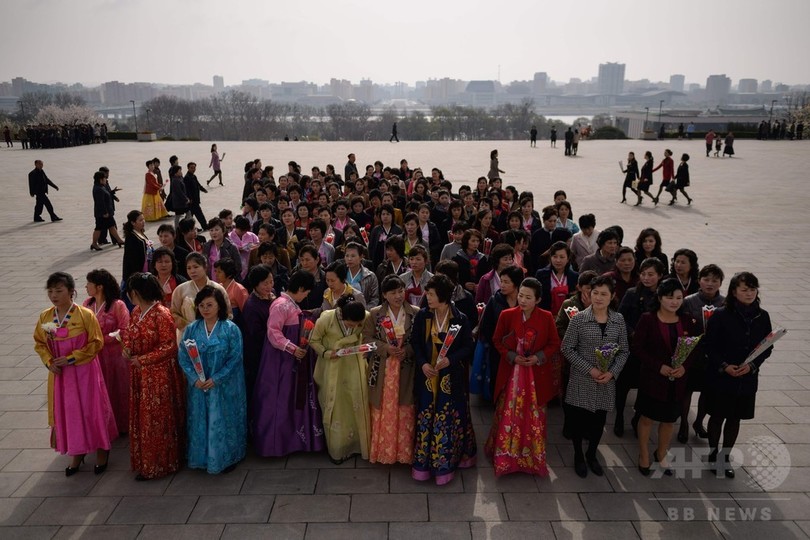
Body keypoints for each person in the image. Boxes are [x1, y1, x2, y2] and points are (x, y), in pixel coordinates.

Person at [34, 272, 117, 476]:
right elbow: (40, 343)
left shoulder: (84, 315)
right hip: (61, 375)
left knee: (91, 409)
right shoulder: (46, 317)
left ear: (71, 292)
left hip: (85, 372)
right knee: (69, 412)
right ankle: (77, 452)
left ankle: (101, 449)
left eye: (59, 290)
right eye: (51, 291)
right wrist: (49, 361)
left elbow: (96, 342)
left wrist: (72, 357)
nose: (54, 295)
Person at [485, 277, 561, 476]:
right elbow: (496, 340)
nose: (523, 300)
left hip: (535, 373)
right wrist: (512, 356)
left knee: (533, 414)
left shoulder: (546, 317)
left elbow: (554, 343)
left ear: (538, 300)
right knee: (508, 412)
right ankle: (505, 456)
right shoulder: (507, 314)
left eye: (528, 297)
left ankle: (530, 458)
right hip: (512, 373)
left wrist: (538, 357)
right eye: (521, 295)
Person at [704, 272, 772, 478]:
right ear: (734, 292)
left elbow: (767, 347)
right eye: (744, 289)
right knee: (717, 416)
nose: (749, 293)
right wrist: (724, 366)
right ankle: (714, 453)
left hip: (746, 377)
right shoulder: (721, 314)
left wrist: (752, 366)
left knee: (735, 418)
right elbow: (709, 346)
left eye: (752, 289)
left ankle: (726, 456)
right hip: (722, 376)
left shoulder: (763, 316)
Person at [561, 275, 630, 478]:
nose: (598, 298)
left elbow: (624, 351)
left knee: (598, 422)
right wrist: (589, 369)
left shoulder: (618, 320)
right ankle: (578, 456)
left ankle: (592, 454)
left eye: (604, 294)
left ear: (612, 296)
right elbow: (567, 348)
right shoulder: (580, 319)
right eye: (595, 293)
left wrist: (612, 372)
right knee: (578, 421)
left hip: (605, 382)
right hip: (582, 380)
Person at [252, 270, 325, 457]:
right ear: (300, 288)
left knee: (289, 399)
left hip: (289, 360)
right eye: (306, 291)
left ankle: (290, 441)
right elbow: (273, 333)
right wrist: (292, 349)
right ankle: (276, 444)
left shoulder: (288, 304)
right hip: (280, 362)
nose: (307, 295)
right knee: (280, 400)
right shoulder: (281, 305)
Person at [411, 274, 476, 484]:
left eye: (431, 294)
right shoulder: (423, 316)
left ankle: (446, 465)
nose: (427, 297)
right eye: (427, 293)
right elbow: (416, 343)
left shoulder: (460, 318)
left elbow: (468, 346)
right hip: (428, 376)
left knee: (447, 418)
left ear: (443, 296)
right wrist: (423, 364)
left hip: (450, 377)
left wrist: (450, 360)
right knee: (426, 415)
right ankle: (423, 464)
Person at [633, 279, 699, 477]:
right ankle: (643, 453)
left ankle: (661, 452)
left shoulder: (687, 320)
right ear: (660, 298)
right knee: (647, 418)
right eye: (670, 297)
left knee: (669, 420)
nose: (674, 302)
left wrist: (684, 368)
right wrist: (658, 366)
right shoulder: (648, 319)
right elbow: (637, 348)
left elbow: (694, 348)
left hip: (676, 381)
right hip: (653, 379)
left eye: (678, 298)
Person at [122, 273, 185, 480]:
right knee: (143, 418)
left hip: (158, 374)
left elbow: (169, 346)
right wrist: (127, 349)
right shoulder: (136, 312)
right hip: (140, 372)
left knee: (156, 420)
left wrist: (145, 359)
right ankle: (146, 462)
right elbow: (130, 335)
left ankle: (160, 464)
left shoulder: (161, 313)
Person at [178, 286, 246, 474]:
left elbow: (235, 358)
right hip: (199, 386)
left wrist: (217, 378)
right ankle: (201, 456)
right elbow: (183, 356)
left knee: (225, 420)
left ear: (219, 306)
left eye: (210, 305)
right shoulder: (192, 329)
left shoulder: (230, 329)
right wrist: (194, 379)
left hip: (225, 385)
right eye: (201, 305)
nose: (205, 309)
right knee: (200, 420)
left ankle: (228, 456)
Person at [363, 275, 419, 464]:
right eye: (393, 292)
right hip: (382, 368)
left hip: (406, 368)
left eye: (401, 291)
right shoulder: (375, 314)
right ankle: (383, 451)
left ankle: (404, 453)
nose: (398, 296)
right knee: (382, 406)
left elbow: (421, 341)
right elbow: (366, 340)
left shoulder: (415, 313)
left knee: (405, 407)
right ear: (384, 295)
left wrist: (408, 350)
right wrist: (386, 347)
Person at [310, 295, 370, 463]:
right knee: (335, 405)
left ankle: (358, 446)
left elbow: (367, 335)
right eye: (351, 324)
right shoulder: (327, 319)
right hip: (332, 365)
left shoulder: (364, 316)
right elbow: (313, 340)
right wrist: (328, 353)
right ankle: (338, 449)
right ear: (342, 315)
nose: (355, 326)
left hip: (354, 365)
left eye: (357, 324)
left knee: (357, 402)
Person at [615, 257, 666, 436]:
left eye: (651, 274)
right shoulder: (631, 293)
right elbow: (619, 318)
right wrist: (632, 333)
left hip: (652, 351)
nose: (646, 278)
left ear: (660, 276)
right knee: (623, 385)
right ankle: (619, 416)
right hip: (630, 348)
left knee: (646, 387)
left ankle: (637, 418)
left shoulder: (663, 297)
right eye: (643, 274)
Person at [678, 264, 725, 443]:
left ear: (721, 283)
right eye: (706, 279)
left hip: (713, 356)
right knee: (687, 390)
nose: (710, 284)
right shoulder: (689, 301)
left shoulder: (725, 303)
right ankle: (684, 423)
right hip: (692, 354)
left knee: (707, 392)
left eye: (715, 280)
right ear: (699, 280)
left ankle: (699, 422)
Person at [83, 269, 130, 434]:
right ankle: (101, 425)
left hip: (114, 356)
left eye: (89, 283)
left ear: (99, 287)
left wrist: (99, 340)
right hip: (94, 356)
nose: (86, 287)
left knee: (117, 390)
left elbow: (124, 330)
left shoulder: (118, 305)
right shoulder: (87, 304)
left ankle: (121, 426)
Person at [170, 252, 231, 332]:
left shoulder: (218, 289)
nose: (192, 271)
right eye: (189, 268)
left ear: (205, 267)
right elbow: (174, 313)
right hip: (188, 335)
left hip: (215, 334)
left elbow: (228, 313)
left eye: (196, 267)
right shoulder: (180, 289)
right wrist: (191, 328)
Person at [91, 171, 124, 250]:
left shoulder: (101, 186)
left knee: (112, 226)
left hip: (106, 213)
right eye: (105, 178)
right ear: (100, 179)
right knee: (98, 228)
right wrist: (105, 212)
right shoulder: (98, 189)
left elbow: (107, 194)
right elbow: (100, 203)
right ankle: (94, 243)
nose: (106, 179)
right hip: (102, 214)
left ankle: (119, 240)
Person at [202, 218, 242, 282]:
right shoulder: (207, 246)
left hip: (227, 282)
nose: (214, 233)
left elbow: (238, 267)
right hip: (211, 281)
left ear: (223, 231)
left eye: (216, 230)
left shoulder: (232, 247)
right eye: (211, 230)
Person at [184, 162, 208, 228]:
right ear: (188, 168)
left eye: (194, 168)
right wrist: (189, 198)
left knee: (190, 215)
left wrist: (203, 189)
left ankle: (186, 227)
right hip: (192, 200)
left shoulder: (193, 176)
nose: (193, 169)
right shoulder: (186, 178)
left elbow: (198, 185)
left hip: (195, 199)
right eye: (191, 168)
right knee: (198, 213)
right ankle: (204, 226)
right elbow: (187, 190)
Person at [168, 165, 190, 229]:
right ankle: (178, 228)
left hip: (180, 202)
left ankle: (179, 227)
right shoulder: (175, 180)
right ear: (175, 172)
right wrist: (186, 199)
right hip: (179, 202)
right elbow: (179, 192)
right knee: (180, 215)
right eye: (179, 171)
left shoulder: (179, 178)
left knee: (181, 215)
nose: (181, 172)